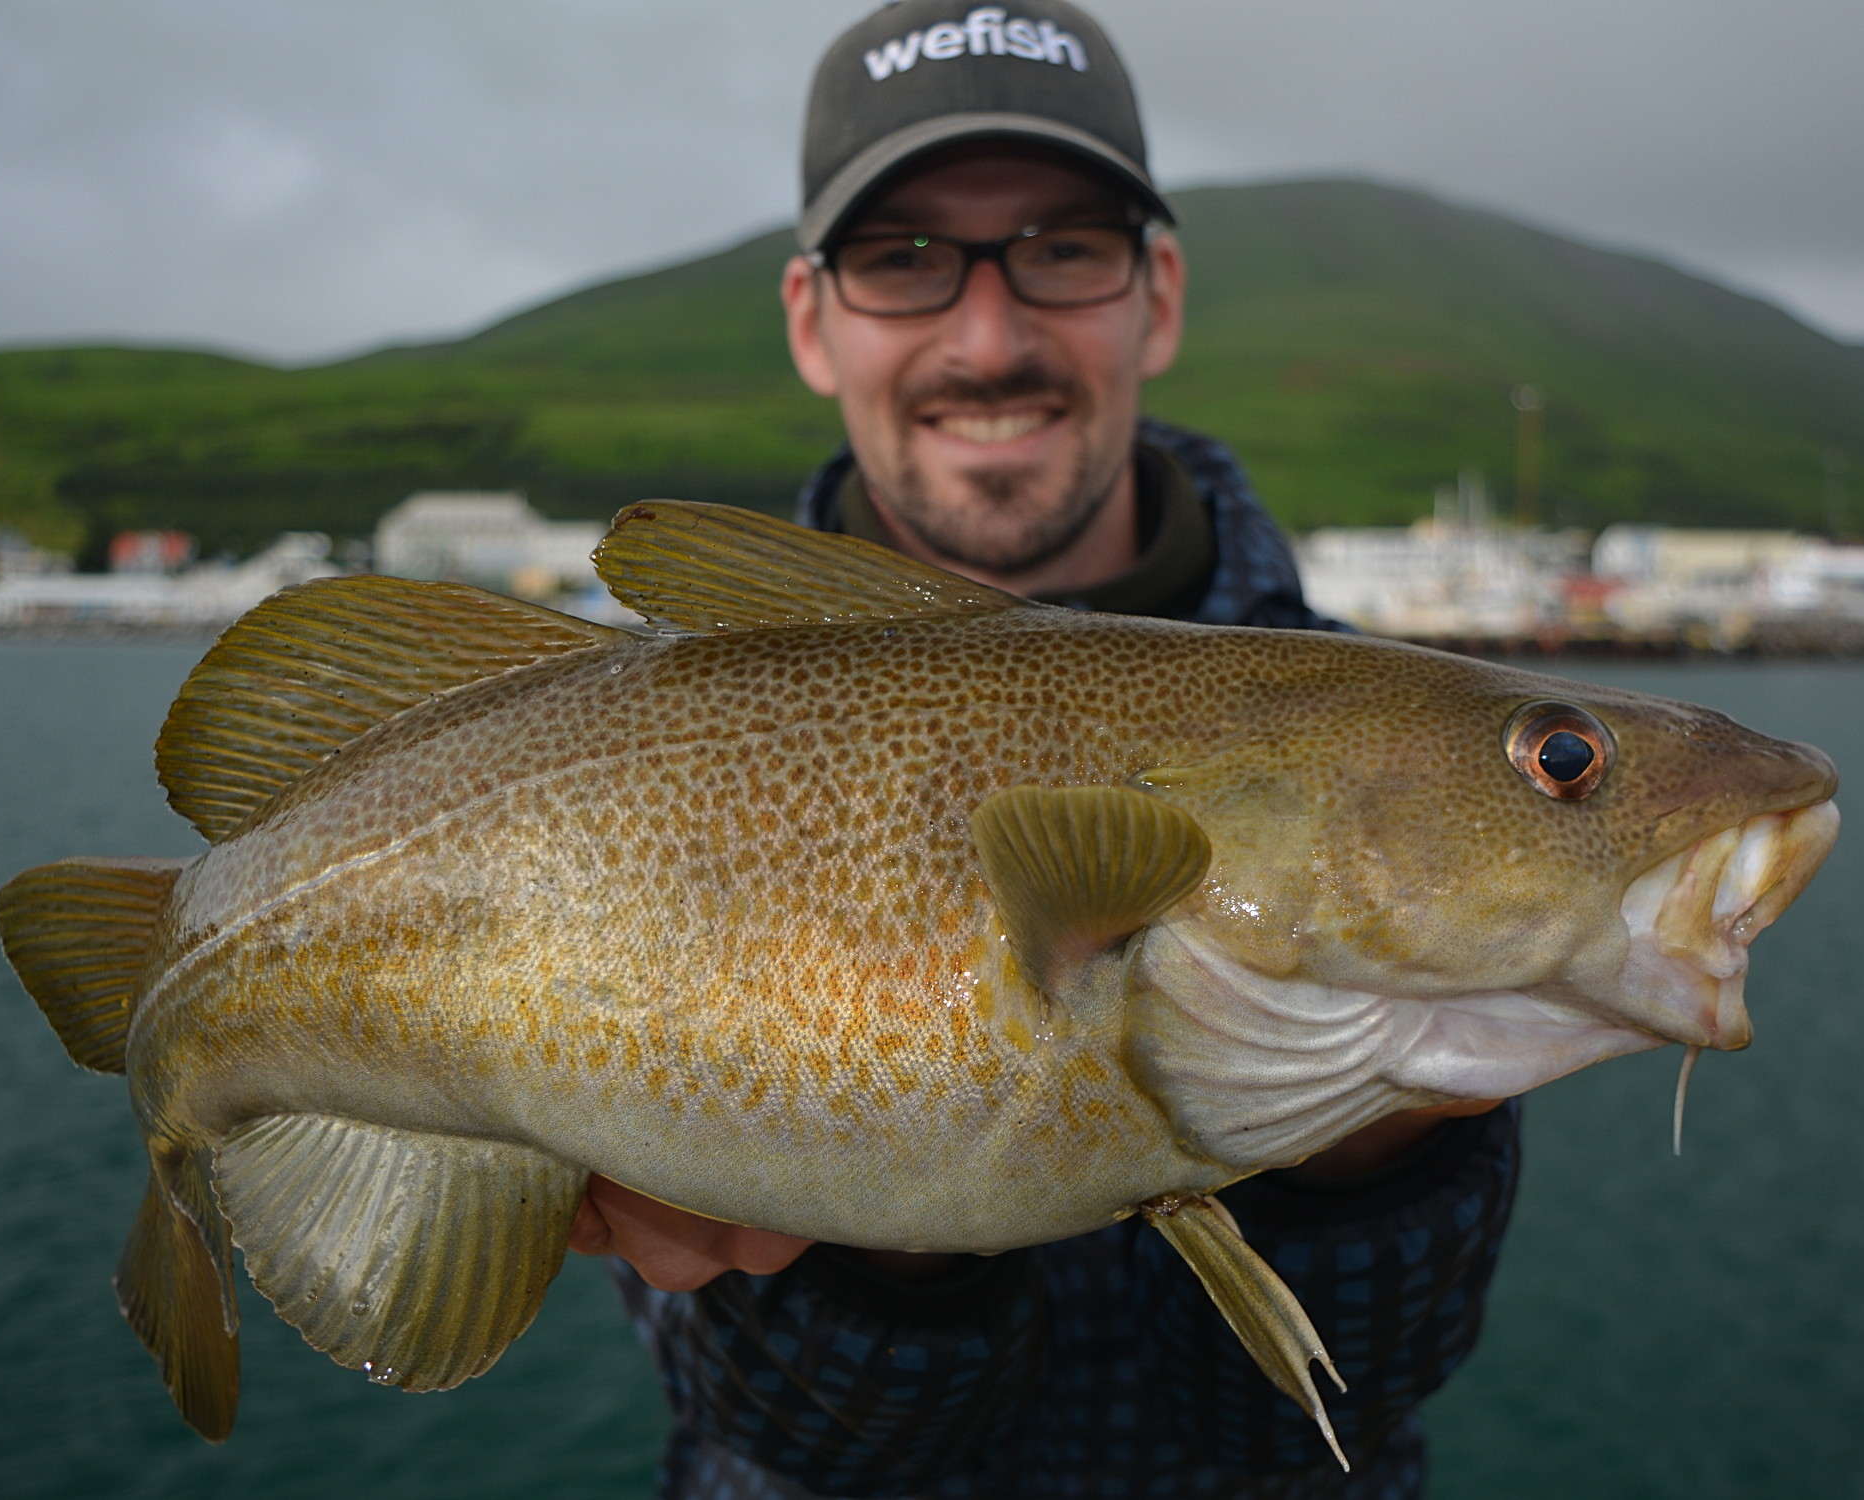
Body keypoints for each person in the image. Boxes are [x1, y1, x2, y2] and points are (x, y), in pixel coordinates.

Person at [568, 4, 1519, 1495]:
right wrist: (875, 1242)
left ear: (1160, 295)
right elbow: (793, 1444)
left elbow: (1323, 1417)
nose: (990, 337)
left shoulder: (1399, 751)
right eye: (904, 258)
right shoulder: (648, 742)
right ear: (812, 319)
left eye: (1064, 247)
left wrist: (1371, 1155)